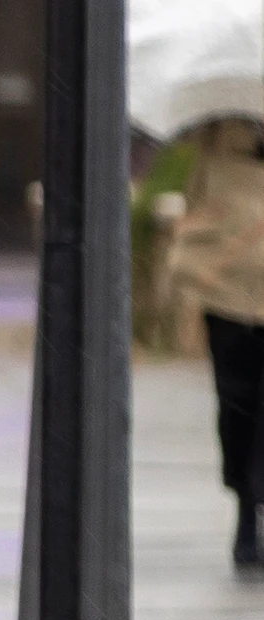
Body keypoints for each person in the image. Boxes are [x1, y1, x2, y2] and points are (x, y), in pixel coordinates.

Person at [165, 118, 264, 568]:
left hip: (228, 290)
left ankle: (254, 503)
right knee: (236, 405)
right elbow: (197, 216)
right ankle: (246, 503)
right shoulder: (218, 138)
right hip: (228, 296)